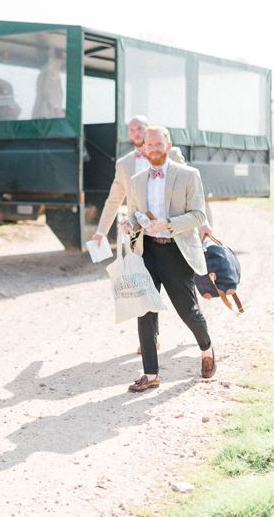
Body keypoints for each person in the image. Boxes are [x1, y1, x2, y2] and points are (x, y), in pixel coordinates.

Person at [120, 126, 216, 392]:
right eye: (148, 145)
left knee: (188, 310)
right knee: (145, 310)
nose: (153, 149)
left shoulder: (188, 175)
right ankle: (150, 374)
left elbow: (198, 215)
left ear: (168, 144)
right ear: (143, 148)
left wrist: (169, 223)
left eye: (158, 144)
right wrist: (129, 224)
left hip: (177, 251)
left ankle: (207, 349)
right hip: (147, 251)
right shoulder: (137, 180)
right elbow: (134, 214)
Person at [92, 116, 186, 353]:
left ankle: (200, 334)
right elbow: (114, 200)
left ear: (149, 132)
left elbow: (191, 191)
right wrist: (100, 232)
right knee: (144, 288)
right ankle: (150, 340)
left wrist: (202, 227)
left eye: (140, 128)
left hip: (172, 236)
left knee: (183, 294)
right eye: (132, 129)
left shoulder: (172, 154)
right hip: (140, 238)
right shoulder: (124, 164)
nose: (136, 132)